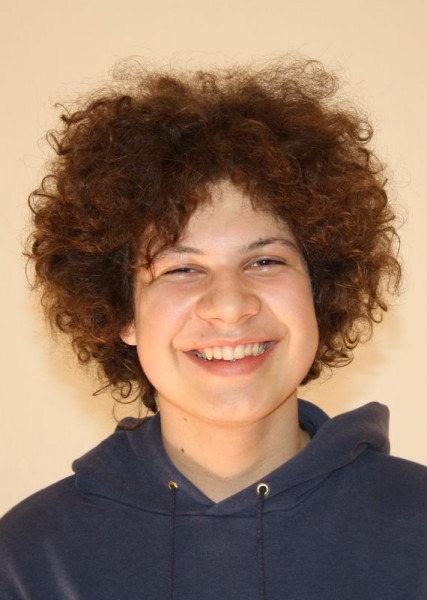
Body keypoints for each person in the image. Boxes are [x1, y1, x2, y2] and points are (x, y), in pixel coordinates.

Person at [0, 57, 426, 599]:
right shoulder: (30, 558)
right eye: (181, 269)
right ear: (122, 312)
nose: (229, 306)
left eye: (265, 261)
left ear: (319, 293)